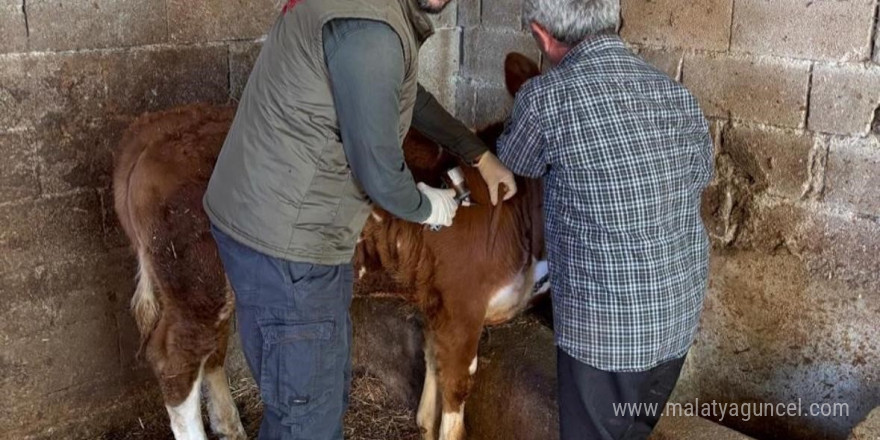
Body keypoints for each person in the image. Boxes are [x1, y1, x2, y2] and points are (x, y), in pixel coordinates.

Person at [202, 0, 517, 437]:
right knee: (306, 417)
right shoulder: (371, 31)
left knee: (314, 398)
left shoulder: (375, 15)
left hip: (276, 223)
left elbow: (406, 96)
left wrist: (476, 153)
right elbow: (378, 171)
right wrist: (427, 205)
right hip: (290, 246)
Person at [496, 0, 714, 438]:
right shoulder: (673, 93)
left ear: (541, 34)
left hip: (605, 337)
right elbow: (701, 174)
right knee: (633, 431)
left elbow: (514, 162)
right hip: (675, 321)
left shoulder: (546, 98)